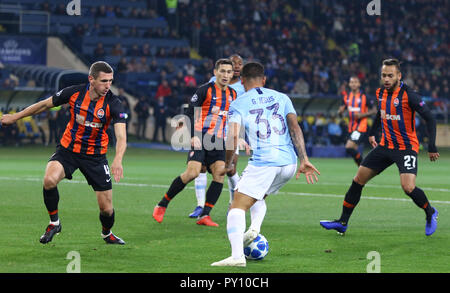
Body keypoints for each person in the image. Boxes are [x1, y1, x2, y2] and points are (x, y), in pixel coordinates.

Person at [0, 61, 128, 245]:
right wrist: (15, 117)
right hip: (68, 150)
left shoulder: (113, 103)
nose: (108, 85)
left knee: (107, 209)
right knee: (49, 180)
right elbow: (44, 105)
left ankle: (107, 233)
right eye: (104, 81)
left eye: (110, 81)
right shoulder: (74, 92)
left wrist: (117, 159)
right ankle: (54, 223)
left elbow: (121, 137)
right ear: (91, 79)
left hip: (95, 157)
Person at [211, 62, 320, 267]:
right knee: (257, 195)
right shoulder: (282, 97)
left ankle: (236, 257)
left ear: (241, 81)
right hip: (288, 163)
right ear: (264, 79)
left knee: (236, 206)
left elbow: (233, 136)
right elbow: (295, 127)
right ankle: (254, 229)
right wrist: (304, 159)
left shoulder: (238, 103)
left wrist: (227, 163)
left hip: (264, 162)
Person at [320, 59, 440, 236]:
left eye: (390, 75)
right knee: (358, 180)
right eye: (384, 75)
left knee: (408, 187)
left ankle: (430, 212)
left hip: (406, 148)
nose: (386, 79)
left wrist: (432, 146)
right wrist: (372, 133)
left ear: (399, 76)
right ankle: (342, 222)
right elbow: (380, 113)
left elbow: (430, 118)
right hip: (385, 146)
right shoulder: (380, 93)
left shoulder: (410, 96)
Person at [152, 58, 237, 227]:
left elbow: (234, 118)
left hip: (218, 140)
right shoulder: (205, 90)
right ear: (215, 72)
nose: (226, 75)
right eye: (222, 71)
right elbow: (190, 113)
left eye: (229, 72)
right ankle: (162, 204)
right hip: (200, 137)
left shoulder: (233, 94)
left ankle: (205, 215)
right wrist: (193, 135)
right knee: (192, 173)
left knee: (220, 173)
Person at [189, 54, 247, 218]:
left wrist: (241, 134)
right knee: (201, 167)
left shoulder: (244, 87)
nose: (236, 66)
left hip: (232, 132)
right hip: (210, 132)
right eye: (233, 63)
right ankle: (200, 206)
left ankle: (234, 204)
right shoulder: (214, 82)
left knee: (230, 169)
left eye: (240, 64)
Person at [338, 76, 377, 166]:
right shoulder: (346, 98)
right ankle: (363, 168)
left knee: (348, 147)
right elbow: (340, 112)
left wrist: (362, 115)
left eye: (355, 82)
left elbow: (374, 110)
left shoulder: (364, 97)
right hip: (351, 127)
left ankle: (366, 165)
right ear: (349, 84)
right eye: (352, 82)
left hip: (361, 127)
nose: (354, 84)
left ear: (359, 84)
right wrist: (340, 112)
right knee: (353, 151)